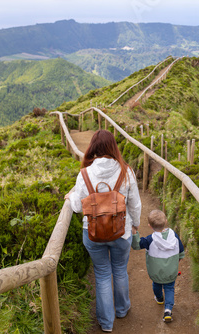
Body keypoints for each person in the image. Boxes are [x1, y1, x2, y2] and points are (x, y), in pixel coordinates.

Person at [65, 129, 141, 333]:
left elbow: (78, 206)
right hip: (121, 232)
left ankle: (106, 323)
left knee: (102, 274)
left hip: (93, 233)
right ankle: (122, 310)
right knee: (119, 270)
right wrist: (135, 224)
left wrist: (69, 197)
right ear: (112, 147)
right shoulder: (126, 171)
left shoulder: (85, 173)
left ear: (93, 148)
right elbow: (134, 204)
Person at [131, 209, 185, 323]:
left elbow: (136, 245)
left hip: (156, 273)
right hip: (171, 271)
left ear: (150, 226)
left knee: (156, 284)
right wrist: (176, 261)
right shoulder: (174, 236)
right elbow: (181, 251)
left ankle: (159, 298)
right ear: (165, 221)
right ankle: (168, 310)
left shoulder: (150, 240)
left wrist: (135, 233)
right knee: (170, 288)